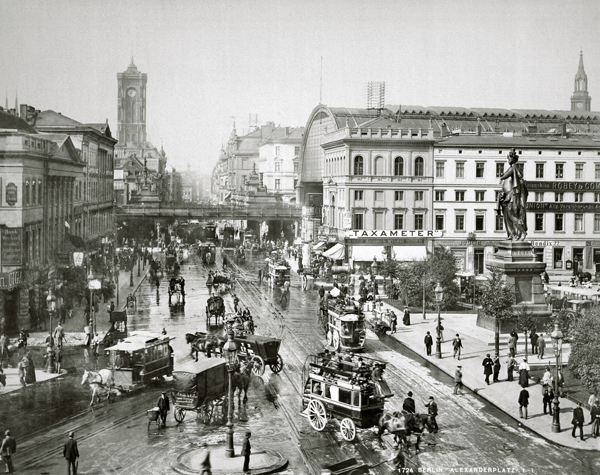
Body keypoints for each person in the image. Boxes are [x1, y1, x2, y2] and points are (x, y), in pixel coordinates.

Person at [496, 148, 528, 241]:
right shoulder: (511, 168)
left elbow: (505, 175)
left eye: (509, 158)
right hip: (506, 197)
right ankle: (511, 234)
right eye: (508, 158)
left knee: (511, 216)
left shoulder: (513, 168)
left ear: (513, 159)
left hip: (511, 196)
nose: (508, 160)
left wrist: (501, 177)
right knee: (507, 217)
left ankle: (522, 232)